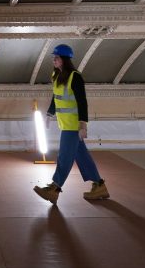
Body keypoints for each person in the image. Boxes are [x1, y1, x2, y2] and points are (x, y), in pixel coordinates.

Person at [33, 44, 109, 204]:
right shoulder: (56, 75)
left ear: (65, 59)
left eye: (57, 57)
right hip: (65, 124)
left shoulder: (75, 77)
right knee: (82, 156)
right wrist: (49, 114)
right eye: (54, 57)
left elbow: (82, 103)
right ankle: (99, 185)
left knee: (65, 157)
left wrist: (83, 126)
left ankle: (54, 188)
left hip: (73, 126)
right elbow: (57, 96)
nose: (54, 60)